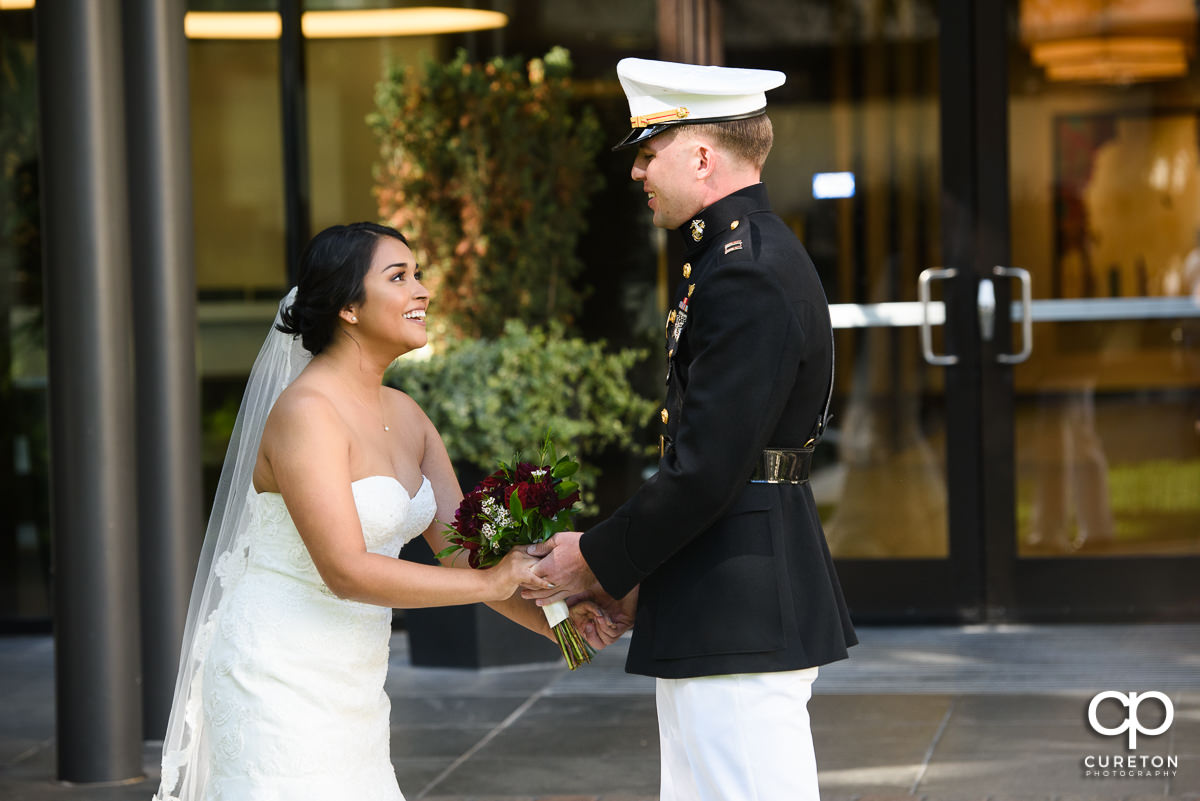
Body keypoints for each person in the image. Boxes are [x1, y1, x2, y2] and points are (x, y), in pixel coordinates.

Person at [153, 222, 618, 801]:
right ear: (348, 307)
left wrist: (560, 629)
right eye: (399, 277)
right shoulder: (306, 413)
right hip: (275, 671)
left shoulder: (407, 413)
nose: (421, 290)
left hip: (356, 681)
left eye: (418, 274)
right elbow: (345, 569)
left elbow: (461, 558)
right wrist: (494, 579)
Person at [523, 59, 858, 800]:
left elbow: (708, 468)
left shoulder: (743, 271)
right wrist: (638, 574)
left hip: (736, 598)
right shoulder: (732, 259)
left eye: (650, 151)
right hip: (725, 589)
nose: (638, 171)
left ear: (701, 155)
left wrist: (597, 559)